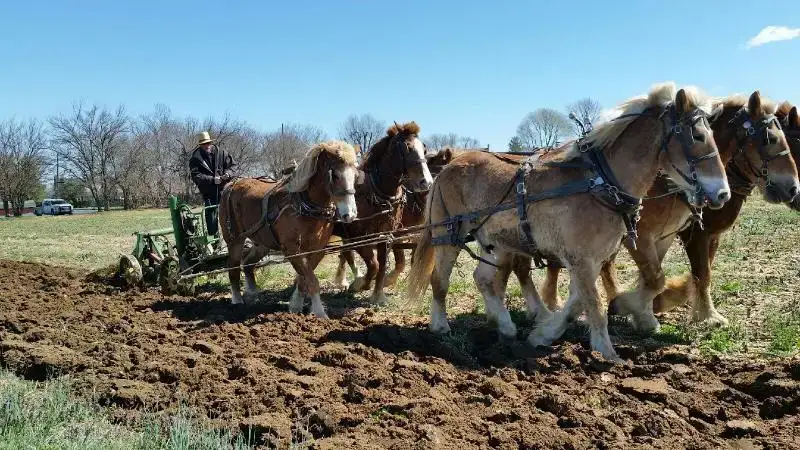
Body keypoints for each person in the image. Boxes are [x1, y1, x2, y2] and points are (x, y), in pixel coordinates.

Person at [188, 131, 236, 237]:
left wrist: (227, 174)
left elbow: (232, 167)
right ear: (200, 145)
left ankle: (234, 236)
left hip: (225, 189)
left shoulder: (222, 153)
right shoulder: (195, 159)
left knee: (231, 214)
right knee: (211, 216)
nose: (206, 146)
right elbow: (196, 176)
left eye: (208, 143)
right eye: (203, 144)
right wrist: (212, 180)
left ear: (211, 142)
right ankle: (214, 240)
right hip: (209, 193)